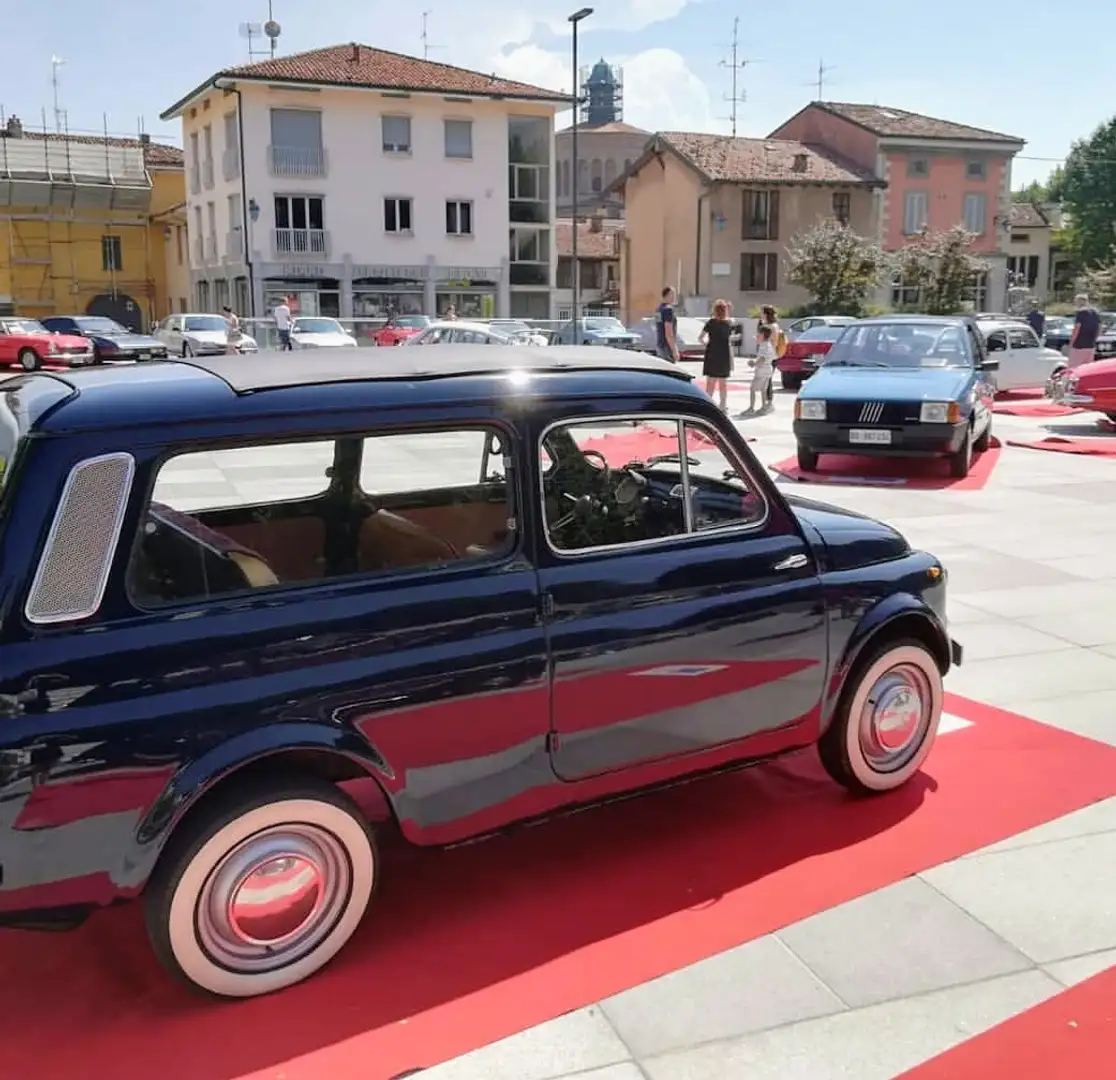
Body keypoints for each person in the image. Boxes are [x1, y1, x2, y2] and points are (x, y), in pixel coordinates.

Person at [700, 299, 734, 410]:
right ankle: (723, 405)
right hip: (724, 354)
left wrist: (707, 344)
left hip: (712, 353)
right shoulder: (729, 324)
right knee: (723, 383)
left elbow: (700, 338)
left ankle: (708, 405)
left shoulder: (710, 322)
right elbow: (729, 340)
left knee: (710, 382)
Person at [1068, 293, 1100, 368]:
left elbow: (1077, 328)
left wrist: (1071, 342)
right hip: (1091, 345)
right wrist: (1094, 338)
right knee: (1087, 368)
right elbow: (1100, 327)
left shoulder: (1080, 313)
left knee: (1074, 368)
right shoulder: (1094, 313)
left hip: (1078, 346)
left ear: (1080, 301)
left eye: (1076, 301)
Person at [750, 325, 776, 413]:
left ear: (762, 335)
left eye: (758, 334)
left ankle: (751, 408)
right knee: (763, 390)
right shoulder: (769, 345)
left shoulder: (763, 346)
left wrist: (754, 364)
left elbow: (762, 358)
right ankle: (764, 407)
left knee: (752, 388)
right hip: (768, 370)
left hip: (761, 371)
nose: (757, 336)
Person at [655, 286, 680, 363]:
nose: (674, 297)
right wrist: (674, 350)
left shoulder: (659, 309)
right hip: (667, 347)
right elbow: (668, 332)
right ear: (667, 295)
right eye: (673, 294)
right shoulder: (668, 310)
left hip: (660, 345)